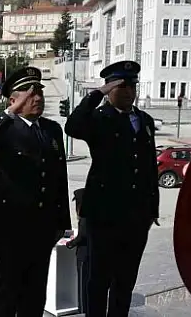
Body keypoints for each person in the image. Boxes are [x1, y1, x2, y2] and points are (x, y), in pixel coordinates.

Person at [64, 60, 159, 317]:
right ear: (110, 88)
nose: (129, 91)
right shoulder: (98, 118)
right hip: (105, 214)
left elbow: (149, 166)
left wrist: (152, 210)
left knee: (125, 281)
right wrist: (97, 94)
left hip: (136, 216)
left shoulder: (144, 120)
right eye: (122, 86)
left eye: (133, 86)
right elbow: (72, 126)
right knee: (99, 279)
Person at [0, 66, 71, 316]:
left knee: (36, 291)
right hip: (11, 227)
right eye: (29, 93)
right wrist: (10, 112)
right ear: (13, 99)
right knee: (9, 291)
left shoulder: (51, 130)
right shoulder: (4, 128)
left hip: (44, 225)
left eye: (38, 91)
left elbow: (60, 177)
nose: (37, 97)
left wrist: (63, 221)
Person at [66, 188, 88, 314]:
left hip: (84, 257)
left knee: (82, 287)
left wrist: (70, 243)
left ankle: (83, 311)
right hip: (94, 256)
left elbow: (82, 236)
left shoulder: (85, 216)